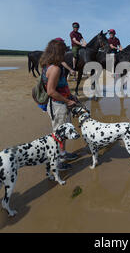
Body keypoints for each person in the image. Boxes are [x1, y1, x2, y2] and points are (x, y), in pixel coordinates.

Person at [39, 39, 78, 170]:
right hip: (58, 105)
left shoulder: (47, 65)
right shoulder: (55, 69)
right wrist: (68, 101)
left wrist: (70, 95)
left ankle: (63, 153)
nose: (65, 54)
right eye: (63, 51)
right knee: (59, 133)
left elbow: (60, 86)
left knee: (62, 132)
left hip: (58, 103)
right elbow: (51, 91)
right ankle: (58, 162)